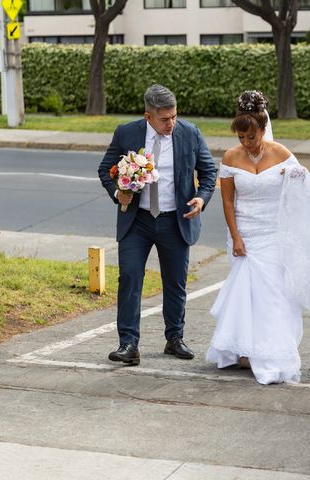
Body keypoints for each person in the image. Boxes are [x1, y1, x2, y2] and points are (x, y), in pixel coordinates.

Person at [207, 91, 310, 385]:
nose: (246, 144)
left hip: (274, 234)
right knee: (246, 295)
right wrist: (236, 237)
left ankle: (273, 350)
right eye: (241, 137)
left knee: (274, 295)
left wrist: (299, 182)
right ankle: (245, 350)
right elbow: (227, 202)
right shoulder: (230, 157)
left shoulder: (282, 153)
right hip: (246, 233)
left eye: (252, 137)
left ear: (263, 129)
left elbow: (303, 190)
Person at [98, 84, 217, 365]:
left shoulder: (190, 133)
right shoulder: (126, 133)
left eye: (174, 116)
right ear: (148, 116)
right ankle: (128, 344)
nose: (171, 123)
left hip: (175, 220)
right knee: (129, 278)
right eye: (165, 119)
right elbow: (105, 169)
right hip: (136, 220)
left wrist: (201, 199)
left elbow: (209, 171)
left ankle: (174, 338)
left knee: (175, 283)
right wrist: (118, 192)